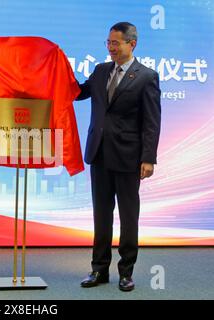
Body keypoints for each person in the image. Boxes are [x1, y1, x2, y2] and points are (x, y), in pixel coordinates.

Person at [76, 22, 161, 291]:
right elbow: (79, 92)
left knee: (128, 216)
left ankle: (126, 272)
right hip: (99, 153)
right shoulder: (101, 71)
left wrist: (148, 158)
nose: (111, 48)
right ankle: (99, 270)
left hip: (128, 157)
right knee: (101, 216)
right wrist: (54, 73)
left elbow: (151, 122)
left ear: (131, 44)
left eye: (116, 43)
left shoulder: (146, 77)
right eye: (108, 43)